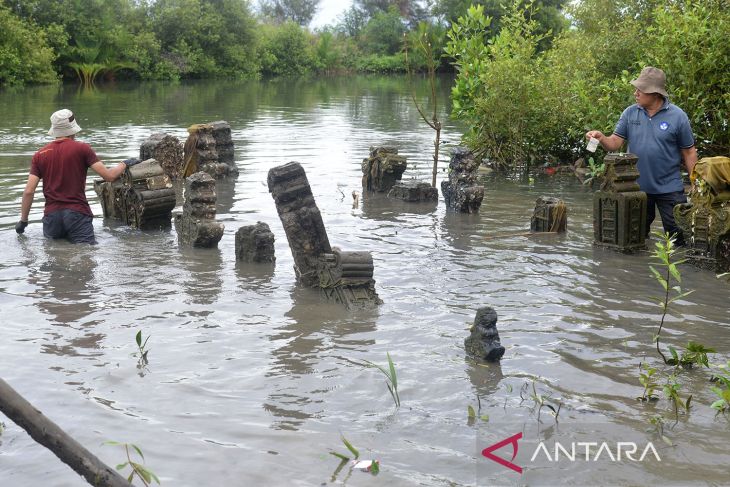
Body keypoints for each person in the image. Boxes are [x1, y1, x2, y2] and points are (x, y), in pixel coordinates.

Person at [586, 66, 697, 245]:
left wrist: (695, 183)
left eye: (641, 90)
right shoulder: (630, 112)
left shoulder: (678, 116)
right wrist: (601, 138)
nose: (636, 93)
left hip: (670, 188)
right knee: (635, 235)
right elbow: (615, 142)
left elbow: (689, 151)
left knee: (678, 238)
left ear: (655, 93)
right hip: (636, 189)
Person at [15, 108, 137, 244]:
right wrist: (125, 164)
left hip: (52, 218)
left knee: (54, 257)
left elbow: (28, 191)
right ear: (73, 129)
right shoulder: (82, 149)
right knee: (86, 256)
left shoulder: (40, 155)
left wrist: (23, 221)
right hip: (77, 214)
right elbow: (109, 176)